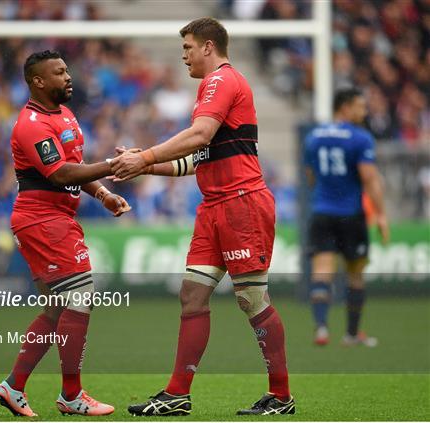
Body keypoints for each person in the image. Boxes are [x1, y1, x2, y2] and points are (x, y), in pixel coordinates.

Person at [111, 18, 294, 416]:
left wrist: (144, 156)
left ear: (208, 47)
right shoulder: (211, 90)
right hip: (214, 206)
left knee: (251, 298)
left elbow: (198, 136)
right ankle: (178, 393)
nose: (184, 56)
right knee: (192, 295)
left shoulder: (221, 81)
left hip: (242, 202)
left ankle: (281, 396)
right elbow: (198, 158)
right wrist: (143, 167)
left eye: (188, 48)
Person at [0, 50, 131, 417]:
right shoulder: (31, 124)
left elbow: (75, 167)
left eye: (67, 70)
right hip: (42, 221)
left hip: (55, 218)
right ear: (38, 81)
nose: (68, 77)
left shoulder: (66, 115)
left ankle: (13, 386)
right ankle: (72, 395)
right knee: (81, 296)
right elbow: (60, 175)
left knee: (57, 309)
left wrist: (102, 193)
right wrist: (115, 165)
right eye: (59, 73)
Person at [304, 88, 389, 347]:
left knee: (321, 272)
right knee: (355, 275)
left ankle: (321, 328)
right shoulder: (361, 138)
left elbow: (310, 177)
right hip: (351, 214)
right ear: (345, 107)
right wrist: (382, 214)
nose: (364, 112)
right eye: (360, 106)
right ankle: (351, 334)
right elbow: (369, 178)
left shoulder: (313, 137)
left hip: (321, 212)